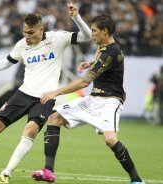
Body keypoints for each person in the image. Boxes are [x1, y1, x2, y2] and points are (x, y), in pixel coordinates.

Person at [0, 2, 91, 183]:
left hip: (44, 98)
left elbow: (86, 37)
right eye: (24, 32)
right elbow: (7, 62)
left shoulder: (57, 39)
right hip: (23, 94)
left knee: (29, 131)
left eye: (31, 33)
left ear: (41, 29)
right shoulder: (21, 45)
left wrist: (76, 18)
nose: (27, 36)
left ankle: (6, 173)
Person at [32, 14, 145, 184]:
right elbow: (103, 63)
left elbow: (84, 82)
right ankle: (48, 171)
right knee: (54, 119)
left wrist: (55, 92)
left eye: (94, 31)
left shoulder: (111, 52)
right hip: (94, 99)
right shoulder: (104, 46)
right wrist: (91, 63)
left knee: (110, 140)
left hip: (110, 101)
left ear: (105, 32)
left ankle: (136, 180)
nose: (91, 34)